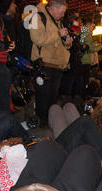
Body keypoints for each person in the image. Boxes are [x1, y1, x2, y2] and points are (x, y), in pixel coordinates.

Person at [30, 0, 72, 128]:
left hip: (57, 65)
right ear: (53, 7)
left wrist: (67, 41)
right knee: (43, 98)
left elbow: (62, 43)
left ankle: (50, 123)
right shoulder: (38, 16)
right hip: (44, 64)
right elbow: (37, 38)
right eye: (62, 11)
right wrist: (58, 35)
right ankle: (41, 126)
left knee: (52, 99)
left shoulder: (58, 21)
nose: (63, 14)